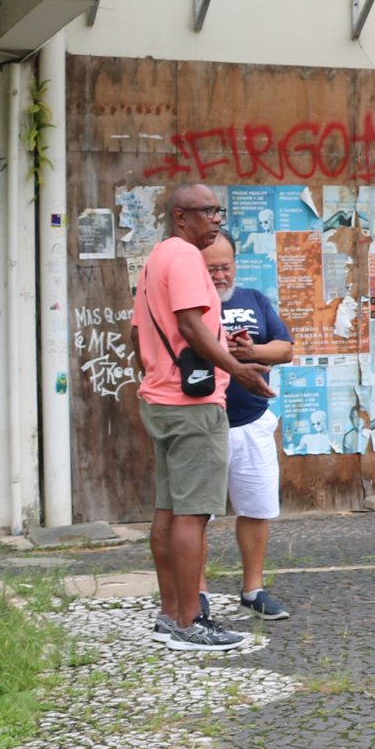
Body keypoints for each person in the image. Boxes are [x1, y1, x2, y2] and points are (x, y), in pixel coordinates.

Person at [133, 184, 271, 653]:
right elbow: (191, 325)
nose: (216, 219)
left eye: (218, 211)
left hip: (160, 399)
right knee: (192, 515)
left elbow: (138, 334)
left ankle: (170, 614)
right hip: (192, 406)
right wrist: (238, 371)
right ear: (180, 217)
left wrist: (159, 374)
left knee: (168, 511)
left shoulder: (155, 260)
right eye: (207, 211)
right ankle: (192, 623)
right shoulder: (188, 259)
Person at [203, 232, 297, 623]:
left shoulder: (254, 300)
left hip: (253, 420)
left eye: (226, 266)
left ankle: (253, 589)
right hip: (204, 423)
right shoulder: (190, 305)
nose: (220, 275)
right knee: (195, 515)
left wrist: (251, 352)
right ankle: (197, 594)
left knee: (256, 508)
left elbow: (286, 348)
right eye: (211, 269)